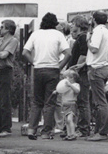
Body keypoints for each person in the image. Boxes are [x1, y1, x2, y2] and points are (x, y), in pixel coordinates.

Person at [22, 12, 71, 140]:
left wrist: (34, 62)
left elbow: (25, 52)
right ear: (55, 24)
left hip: (38, 70)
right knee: (50, 102)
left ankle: (31, 129)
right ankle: (46, 132)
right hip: (53, 69)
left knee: (37, 101)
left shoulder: (35, 34)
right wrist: (59, 66)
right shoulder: (58, 35)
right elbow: (68, 53)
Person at [0, 19, 19, 137]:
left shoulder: (13, 40)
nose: (0, 29)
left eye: (2, 27)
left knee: (5, 100)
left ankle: (6, 128)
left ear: (8, 29)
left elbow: (4, 55)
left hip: (5, 71)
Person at [85, 10, 108, 141]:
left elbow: (94, 48)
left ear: (94, 20)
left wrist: (87, 42)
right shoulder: (106, 31)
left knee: (100, 102)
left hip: (96, 68)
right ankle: (99, 131)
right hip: (104, 67)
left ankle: (102, 132)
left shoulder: (97, 31)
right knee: (100, 101)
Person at [68, 15, 91, 137]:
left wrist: (74, 69)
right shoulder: (83, 37)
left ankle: (84, 129)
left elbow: (83, 55)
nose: (71, 26)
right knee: (82, 101)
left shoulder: (82, 37)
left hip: (81, 73)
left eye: (73, 24)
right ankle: (82, 127)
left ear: (79, 25)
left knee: (82, 101)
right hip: (82, 73)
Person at [59, 69, 81, 141]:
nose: (65, 79)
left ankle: (73, 134)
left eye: (67, 77)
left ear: (72, 78)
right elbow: (61, 90)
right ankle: (69, 134)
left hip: (71, 104)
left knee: (70, 119)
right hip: (65, 104)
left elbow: (77, 91)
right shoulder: (65, 86)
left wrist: (70, 85)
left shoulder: (75, 85)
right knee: (66, 121)